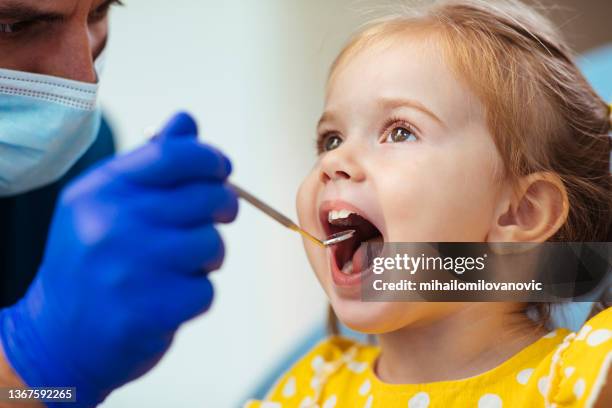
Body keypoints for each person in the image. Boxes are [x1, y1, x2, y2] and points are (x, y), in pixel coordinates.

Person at [244, 0, 611, 407]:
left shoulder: (579, 376)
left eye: (400, 132)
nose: (333, 162)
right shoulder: (311, 389)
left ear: (520, 212)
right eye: (331, 138)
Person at [0, 0, 238, 407]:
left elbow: (55, 397)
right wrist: (27, 368)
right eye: (14, 26)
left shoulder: (77, 157)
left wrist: (48, 384)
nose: (84, 77)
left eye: (98, 12)